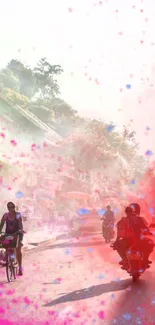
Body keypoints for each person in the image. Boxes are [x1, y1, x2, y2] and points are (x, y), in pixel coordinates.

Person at [0, 202, 24, 275]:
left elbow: (20, 225)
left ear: (14, 207)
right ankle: (5, 258)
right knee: (3, 244)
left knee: (18, 250)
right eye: (9, 207)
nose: (11, 209)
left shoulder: (18, 215)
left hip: (17, 233)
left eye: (12, 207)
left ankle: (20, 268)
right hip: (8, 234)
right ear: (8, 208)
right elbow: (1, 225)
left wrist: (20, 230)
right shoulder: (5, 215)